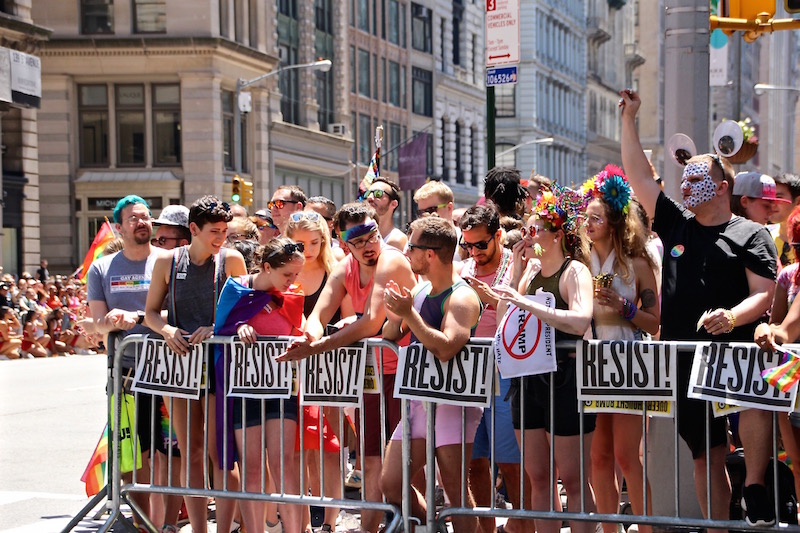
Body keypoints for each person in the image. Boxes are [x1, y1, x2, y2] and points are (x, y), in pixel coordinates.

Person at [620, 89, 777, 528]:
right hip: (685, 359)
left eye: (694, 180)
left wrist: (733, 317)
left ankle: (756, 486)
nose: (684, 186)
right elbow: (640, 179)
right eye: (683, 179)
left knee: (751, 409)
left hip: (735, 354)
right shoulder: (675, 223)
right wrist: (629, 119)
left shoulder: (751, 234)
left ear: (722, 187)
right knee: (706, 454)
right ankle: (717, 527)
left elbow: (763, 294)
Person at [279, 202, 416, 533]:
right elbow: (319, 314)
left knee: (407, 468)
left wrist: (319, 345)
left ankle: (424, 525)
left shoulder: (391, 259)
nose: (369, 245)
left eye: (371, 235)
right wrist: (308, 336)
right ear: (344, 244)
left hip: (406, 373)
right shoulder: (344, 268)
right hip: (373, 375)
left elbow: (372, 323)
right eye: (358, 241)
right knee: (371, 462)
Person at [491, 187, 597, 533]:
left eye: (534, 230)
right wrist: (516, 273)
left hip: (565, 379)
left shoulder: (574, 271)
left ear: (557, 235)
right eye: (526, 230)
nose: (528, 236)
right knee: (538, 476)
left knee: (573, 478)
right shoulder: (529, 270)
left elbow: (580, 320)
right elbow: (505, 314)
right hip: (528, 378)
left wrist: (528, 303)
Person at [144, 196, 248, 533]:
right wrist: (168, 328)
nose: (221, 237)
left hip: (219, 363)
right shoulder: (167, 262)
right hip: (182, 364)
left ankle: (223, 529)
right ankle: (200, 529)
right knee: (190, 451)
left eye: (224, 231)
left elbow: (247, 313)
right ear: (193, 229)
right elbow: (149, 314)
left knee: (221, 451)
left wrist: (218, 328)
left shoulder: (231, 260)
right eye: (214, 231)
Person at [380, 216, 483, 533]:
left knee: (456, 494)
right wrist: (396, 316)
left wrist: (408, 312)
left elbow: (448, 347)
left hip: (452, 404)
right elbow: (390, 335)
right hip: (418, 403)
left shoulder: (462, 296)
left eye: (411, 247)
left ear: (431, 254)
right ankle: (431, 527)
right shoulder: (421, 289)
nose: (405, 253)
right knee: (391, 484)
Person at [581, 166, 659, 533]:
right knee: (598, 456)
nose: (588, 222)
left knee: (628, 457)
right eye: (586, 217)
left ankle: (646, 528)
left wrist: (624, 307)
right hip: (592, 363)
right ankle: (608, 529)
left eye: (596, 217)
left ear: (614, 223)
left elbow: (655, 321)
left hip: (628, 362)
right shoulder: (580, 263)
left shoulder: (638, 264)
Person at [216, 237, 306, 533]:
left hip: (282, 388)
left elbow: (302, 327)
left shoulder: (291, 293)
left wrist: (308, 338)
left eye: (296, 275)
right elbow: (221, 327)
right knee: (251, 467)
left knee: (283, 465)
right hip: (244, 389)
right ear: (266, 267)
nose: (293, 281)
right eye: (287, 275)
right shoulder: (236, 288)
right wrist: (238, 326)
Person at [458, 205, 532, 533]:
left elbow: (527, 317)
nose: (474, 252)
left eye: (481, 245)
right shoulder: (461, 269)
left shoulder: (518, 268)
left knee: (511, 462)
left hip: (507, 372)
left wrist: (489, 299)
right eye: (468, 245)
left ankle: (523, 526)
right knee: (473, 462)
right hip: (468, 373)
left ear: (498, 235)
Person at [87, 195, 157, 527]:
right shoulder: (102, 268)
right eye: (133, 218)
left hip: (171, 368)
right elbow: (97, 323)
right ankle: (143, 522)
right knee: (133, 452)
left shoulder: (168, 261)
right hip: (125, 371)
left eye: (146, 217)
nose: (142, 222)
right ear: (119, 226)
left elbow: (183, 315)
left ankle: (166, 521)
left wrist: (141, 316)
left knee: (171, 453)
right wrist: (112, 320)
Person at [285, 210, 350, 533]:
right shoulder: (283, 270)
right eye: (299, 243)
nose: (307, 249)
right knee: (297, 447)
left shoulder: (335, 270)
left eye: (314, 242)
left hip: (330, 367)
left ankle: (329, 521)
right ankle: (303, 518)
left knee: (330, 445)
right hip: (291, 369)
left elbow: (349, 317)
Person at [148, 204, 191, 533]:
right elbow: (150, 312)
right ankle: (166, 523)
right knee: (168, 451)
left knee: (196, 452)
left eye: (164, 238)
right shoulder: (160, 263)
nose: (157, 243)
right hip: (166, 370)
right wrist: (165, 328)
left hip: (201, 370)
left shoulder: (202, 262)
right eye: (156, 237)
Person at [365, 178, 407, 251]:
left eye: (378, 193)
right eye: (368, 193)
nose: (370, 198)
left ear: (393, 204)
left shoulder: (397, 240)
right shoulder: (363, 238)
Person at [771, 173, 800, 267]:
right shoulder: (763, 235)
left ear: (798, 201)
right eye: (770, 198)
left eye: (778, 197)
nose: (772, 203)